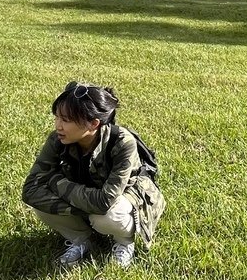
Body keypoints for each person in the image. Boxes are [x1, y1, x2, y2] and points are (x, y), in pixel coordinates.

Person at [22, 82, 166, 268]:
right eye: (57, 117)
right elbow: (30, 190)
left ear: (94, 123)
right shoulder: (57, 140)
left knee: (107, 215)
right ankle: (81, 239)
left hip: (126, 198)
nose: (58, 125)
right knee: (40, 207)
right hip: (88, 195)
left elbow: (104, 202)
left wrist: (55, 181)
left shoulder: (122, 142)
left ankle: (124, 242)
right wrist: (85, 206)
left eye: (66, 120)